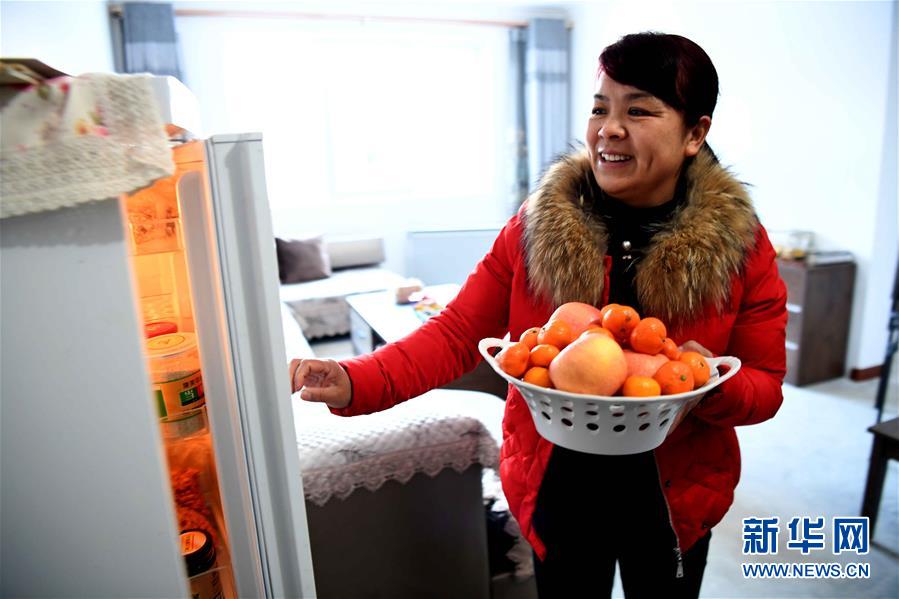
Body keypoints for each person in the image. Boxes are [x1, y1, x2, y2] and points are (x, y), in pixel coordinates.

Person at [290, 32, 787, 598]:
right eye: (600, 108)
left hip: (676, 493)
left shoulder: (740, 248)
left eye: (639, 110)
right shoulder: (537, 225)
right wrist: (357, 379)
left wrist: (712, 383)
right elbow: (458, 331)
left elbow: (765, 386)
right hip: (558, 483)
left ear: (695, 133)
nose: (609, 129)